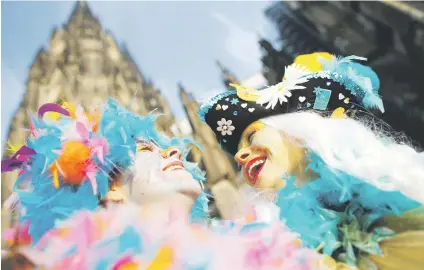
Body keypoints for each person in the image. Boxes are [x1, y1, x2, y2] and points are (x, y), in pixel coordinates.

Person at [2, 99, 333, 270]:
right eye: (147, 149)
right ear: (109, 188)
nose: (175, 150)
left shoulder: (265, 246)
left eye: (165, 147)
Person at [198, 52, 424, 269]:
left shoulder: (397, 199)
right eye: (236, 156)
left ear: (295, 128)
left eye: (250, 136)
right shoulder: (286, 246)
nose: (239, 156)